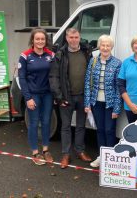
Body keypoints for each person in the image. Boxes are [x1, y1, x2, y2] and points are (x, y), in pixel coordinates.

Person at [49, 28, 92, 169]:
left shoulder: (86, 52)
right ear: (66, 38)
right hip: (67, 97)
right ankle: (66, 154)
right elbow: (54, 77)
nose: (74, 40)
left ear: (80, 38)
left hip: (83, 96)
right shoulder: (60, 54)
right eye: (71, 37)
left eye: (76, 37)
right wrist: (59, 97)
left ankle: (80, 150)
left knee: (81, 125)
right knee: (66, 127)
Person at [18, 28, 54, 165]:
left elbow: (54, 75)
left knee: (46, 122)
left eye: (42, 39)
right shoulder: (25, 56)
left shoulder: (51, 55)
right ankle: (35, 152)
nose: (40, 41)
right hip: (33, 95)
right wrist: (28, 98)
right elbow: (22, 78)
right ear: (32, 40)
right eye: (37, 39)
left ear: (46, 41)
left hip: (48, 94)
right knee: (33, 123)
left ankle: (45, 150)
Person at [84, 35, 122, 168]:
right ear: (99, 46)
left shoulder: (117, 63)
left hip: (110, 104)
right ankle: (101, 156)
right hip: (96, 103)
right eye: (103, 45)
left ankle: (110, 158)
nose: (105, 48)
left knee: (109, 130)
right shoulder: (93, 61)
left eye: (108, 45)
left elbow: (119, 87)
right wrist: (87, 103)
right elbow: (88, 83)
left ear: (111, 47)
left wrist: (117, 108)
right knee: (100, 130)